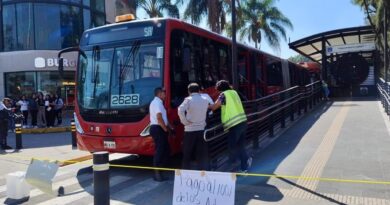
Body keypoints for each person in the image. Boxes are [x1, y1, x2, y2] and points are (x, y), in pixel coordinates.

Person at [209, 80, 252, 172]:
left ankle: (240, 162)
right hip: (242, 121)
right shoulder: (234, 92)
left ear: (220, 89)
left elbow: (215, 106)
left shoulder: (223, 95)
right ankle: (244, 165)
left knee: (232, 146)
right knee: (240, 145)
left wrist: (207, 105)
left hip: (234, 124)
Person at [178, 83, 213, 170]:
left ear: (189, 91)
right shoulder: (205, 99)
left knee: (187, 153)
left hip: (190, 130)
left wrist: (185, 122)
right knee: (201, 153)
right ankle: (202, 172)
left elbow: (180, 109)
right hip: (201, 129)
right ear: (198, 90)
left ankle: (185, 172)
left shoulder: (188, 100)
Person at [149, 87, 172, 181]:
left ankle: (160, 172)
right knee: (160, 151)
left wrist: (170, 127)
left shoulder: (158, 103)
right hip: (158, 128)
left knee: (166, 151)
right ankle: (157, 173)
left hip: (159, 128)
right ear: (159, 93)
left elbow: (164, 118)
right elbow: (159, 118)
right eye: (164, 93)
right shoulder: (157, 103)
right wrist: (165, 129)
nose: (165, 94)